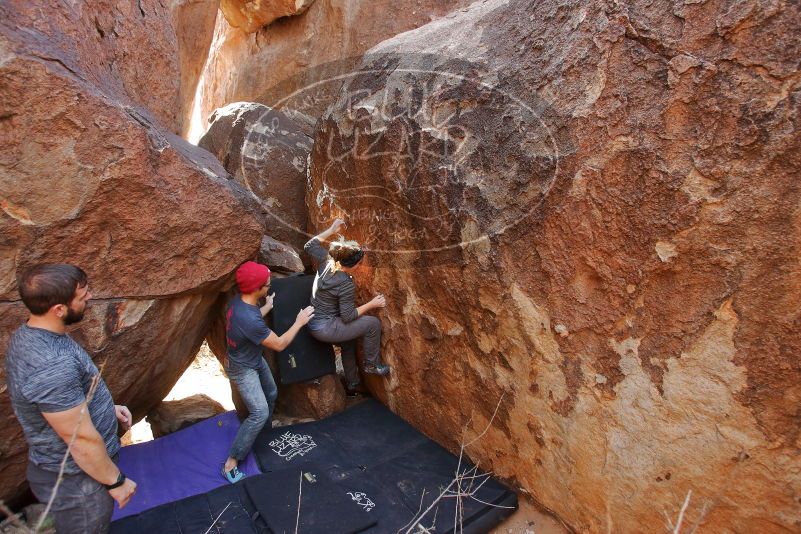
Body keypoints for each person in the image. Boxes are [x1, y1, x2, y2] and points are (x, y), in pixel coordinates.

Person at [5, 264, 137, 534]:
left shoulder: (29, 335)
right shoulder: (51, 366)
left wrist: (106, 408)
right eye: (82, 295)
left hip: (71, 474)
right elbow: (81, 440)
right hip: (80, 484)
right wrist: (116, 481)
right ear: (59, 309)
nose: (89, 297)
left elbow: (61, 403)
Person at [221, 261, 314, 483]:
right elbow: (280, 344)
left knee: (271, 393)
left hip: (253, 359)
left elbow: (251, 322)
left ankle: (263, 433)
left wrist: (268, 307)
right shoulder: (249, 318)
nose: (269, 285)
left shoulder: (241, 302)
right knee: (260, 412)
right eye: (266, 283)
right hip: (242, 368)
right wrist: (299, 321)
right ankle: (231, 462)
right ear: (256, 289)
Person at [304, 219, 390, 396]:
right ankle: (372, 364)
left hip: (314, 322)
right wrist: (372, 304)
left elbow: (309, 245)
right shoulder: (345, 283)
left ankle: (352, 384)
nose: (360, 266)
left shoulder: (326, 261)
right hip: (326, 327)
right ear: (350, 266)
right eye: (358, 263)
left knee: (348, 342)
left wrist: (332, 229)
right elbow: (348, 317)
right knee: (372, 323)